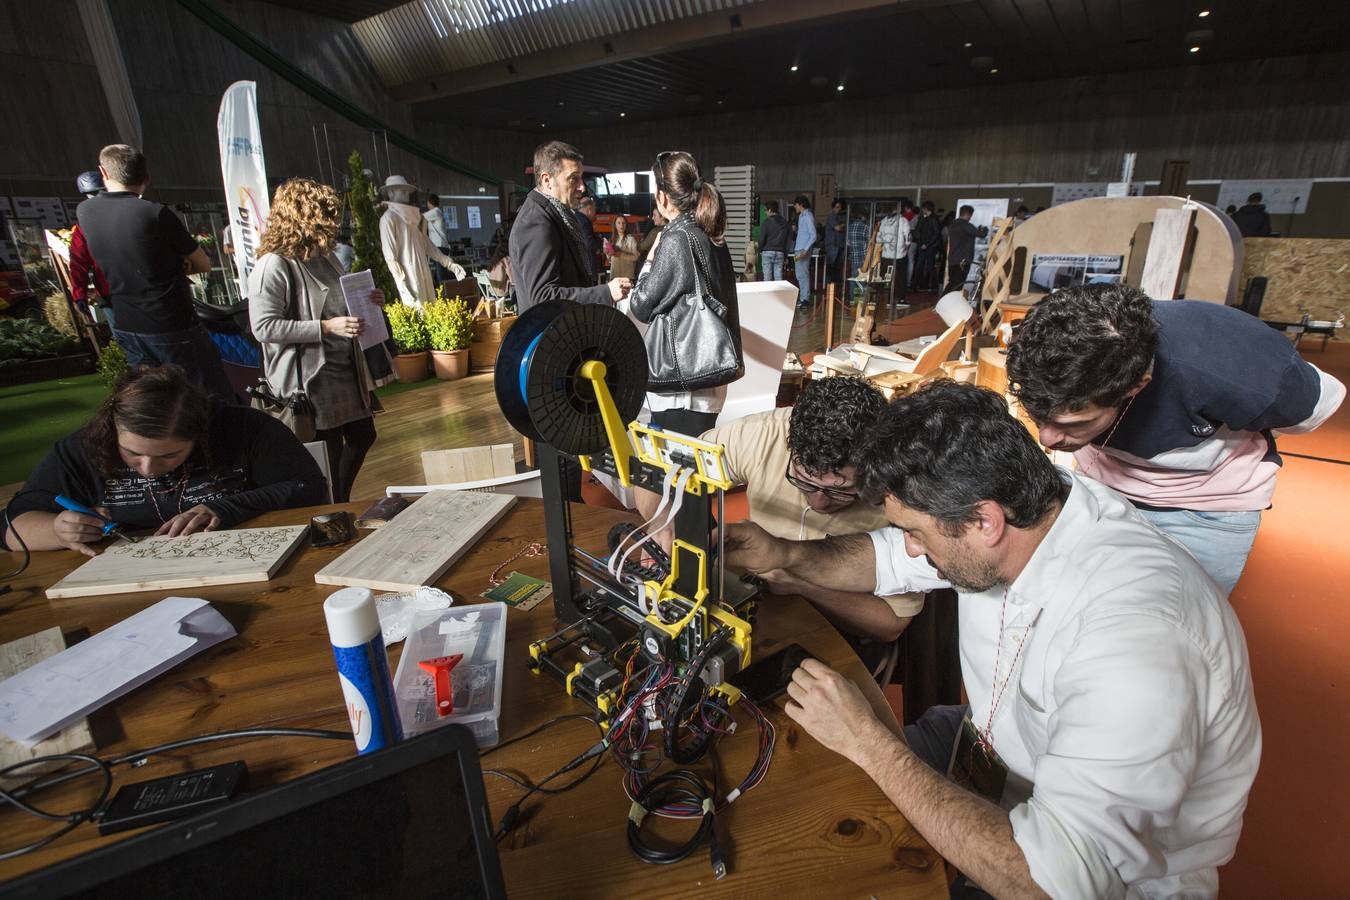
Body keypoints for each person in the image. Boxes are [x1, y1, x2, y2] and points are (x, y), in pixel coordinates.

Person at [726, 381, 1260, 898]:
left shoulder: (1136, 641)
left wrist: (870, 743)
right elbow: (884, 558)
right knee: (812, 790)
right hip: (990, 747)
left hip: (1095, 877)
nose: (909, 550)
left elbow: (1055, 881)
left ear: (985, 522)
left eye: (915, 533)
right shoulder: (1029, 503)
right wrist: (786, 556)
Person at [1005, 283, 1345, 594]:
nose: (1047, 438)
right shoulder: (1073, 341)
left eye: (1073, 423)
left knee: (1175, 623)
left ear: (1137, 384)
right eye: (1039, 416)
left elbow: (1316, 408)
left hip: (1204, 511)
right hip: (1103, 486)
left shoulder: (1236, 365)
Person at [2, 366, 326, 555]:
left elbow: (308, 488)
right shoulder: (83, 447)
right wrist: (59, 531)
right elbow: (12, 526)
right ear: (111, 431)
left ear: (199, 436)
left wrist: (226, 507)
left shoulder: (245, 430)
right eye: (131, 453)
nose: (147, 469)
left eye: (169, 455)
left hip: (245, 563)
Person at [700, 377, 920, 644]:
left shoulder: (904, 492)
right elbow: (667, 469)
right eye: (803, 481)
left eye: (839, 490)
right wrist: (666, 527)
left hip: (841, 633)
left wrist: (800, 585)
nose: (819, 502)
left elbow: (890, 625)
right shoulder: (763, 434)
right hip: (760, 611)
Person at [249, 178, 392, 504]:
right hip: (310, 380)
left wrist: (370, 299)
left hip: (342, 369)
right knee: (328, 449)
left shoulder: (324, 257)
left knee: (362, 434)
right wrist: (325, 327)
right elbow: (263, 327)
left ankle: (337, 501)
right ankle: (333, 508)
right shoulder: (274, 264)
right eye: (325, 220)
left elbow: (339, 300)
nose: (332, 228)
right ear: (302, 219)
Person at [625, 151, 742, 544]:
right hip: (705, 377)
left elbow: (642, 303)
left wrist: (649, 263)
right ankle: (703, 563)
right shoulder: (711, 232)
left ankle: (693, 576)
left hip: (681, 382)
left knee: (684, 486)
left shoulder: (675, 238)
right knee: (695, 482)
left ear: (662, 197)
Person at [76, 144, 233, 400]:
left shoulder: (85, 212)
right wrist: (179, 264)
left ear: (103, 172)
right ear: (146, 177)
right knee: (207, 395)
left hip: (126, 323)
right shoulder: (154, 213)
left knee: (155, 400)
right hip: (172, 323)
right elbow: (203, 264)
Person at [509, 141, 630, 314]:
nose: (582, 187)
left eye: (581, 178)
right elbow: (543, 298)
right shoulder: (536, 223)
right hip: (552, 336)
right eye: (573, 178)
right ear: (546, 179)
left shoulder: (555, 215)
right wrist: (605, 292)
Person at [378, 175, 463, 307]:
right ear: (391, 192)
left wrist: (449, 263)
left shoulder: (411, 218)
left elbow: (426, 243)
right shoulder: (388, 219)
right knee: (418, 313)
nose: (407, 193)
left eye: (407, 190)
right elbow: (390, 256)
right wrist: (401, 282)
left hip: (423, 271)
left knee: (431, 310)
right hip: (409, 277)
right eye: (402, 190)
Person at [68, 170, 112, 327]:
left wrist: (79, 294)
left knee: (127, 339)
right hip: (125, 290)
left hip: (111, 291)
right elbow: (78, 262)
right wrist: (79, 294)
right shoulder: (128, 213)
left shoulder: (84, 225)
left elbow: (78, 262)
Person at [943, 204, 986, 294]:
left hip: (952, 259)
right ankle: (945, 303)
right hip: (963, 261)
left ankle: (942, 303)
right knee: (957, 285)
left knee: (952, 283)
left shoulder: (953, 225)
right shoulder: (966, 225)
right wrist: (984, 228)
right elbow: (981, 234)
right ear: (968, 215)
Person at [791, 194, 816, 308]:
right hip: (799, 248)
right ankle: (803, 298)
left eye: (795, 205)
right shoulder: (801, 217)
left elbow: (813, 235)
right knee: (800, 275)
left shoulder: (808, 216)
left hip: (802, 249)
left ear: (800, 204)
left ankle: (804, 299)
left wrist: (806, 249)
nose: (795, 207)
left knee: (803, 275)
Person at [911, 201, 941, 291]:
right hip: (923, 245)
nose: (922, 210)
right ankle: (917, 285)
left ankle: (933, 286)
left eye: (923, 208)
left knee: (929, 266)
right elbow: (918, 229)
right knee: (920, 265)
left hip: (930, 246)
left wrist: (927, 244)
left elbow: (936, 234)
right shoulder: (922, 218)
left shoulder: (934, 219)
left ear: (927, 209)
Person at [423, 193, 452, 283]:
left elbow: (422, 217)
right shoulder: (436, 212)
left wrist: (423, 236)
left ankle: (445, 294)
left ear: (429, 202)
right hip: (438, 247)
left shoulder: (435, 211)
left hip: (440, 247)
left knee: (441, 276)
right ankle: (442, 292)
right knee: (438, 274)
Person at [758, 200, 788, 281]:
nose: (765, 212)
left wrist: (760, 249)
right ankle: (779, 293)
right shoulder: (784, 222)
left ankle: (768, 294)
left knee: (767, 277)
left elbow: (761, 239)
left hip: (767, 251)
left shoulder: (766, 222)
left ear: (770, 210)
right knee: (778, 277)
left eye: (766, 210)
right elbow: (786, 240)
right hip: (780, 252)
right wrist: (785, 255)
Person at [822, 199, 847, 292]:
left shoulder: (838, 217)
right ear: (833, 207)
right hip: (832, 244)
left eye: (840, 207)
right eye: (837, 207)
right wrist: (844, 224)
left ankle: (834, 284)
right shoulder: (831, 216)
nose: (839, 209)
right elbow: (838, 228)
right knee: (831, 265)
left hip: (839, 244)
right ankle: (829, 284)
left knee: (837, 266)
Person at [605, 214, 639, 280]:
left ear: (626, 225)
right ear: (615, 225)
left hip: (627, 276)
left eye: (623, 223)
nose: (621, 225)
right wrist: (607, 253)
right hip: (615, 276)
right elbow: (610, 259)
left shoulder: (631, 239)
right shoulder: (612, 239)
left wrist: (621, 254)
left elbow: (635, 257)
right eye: (619, 223)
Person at [634, 207, 664, 274]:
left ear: (662, 217)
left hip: (654, 266)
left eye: (655, 215)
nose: (653, 218)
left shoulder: (655, 231)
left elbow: (642, 247)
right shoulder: (671, 228)